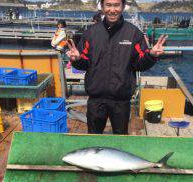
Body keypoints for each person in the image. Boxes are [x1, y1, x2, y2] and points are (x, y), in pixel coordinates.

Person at [67, 0, 167, 135]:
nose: (112, 10)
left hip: (121, 101)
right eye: (108, 5)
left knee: (121, 138)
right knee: (93, 138)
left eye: (116, 5)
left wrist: (152, 55)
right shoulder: (90, 33)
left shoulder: (133, 33)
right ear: (102, 7)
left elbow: (139, 64)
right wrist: (77, 59)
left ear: (123, 6)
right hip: (96, 100)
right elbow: (84, 63)